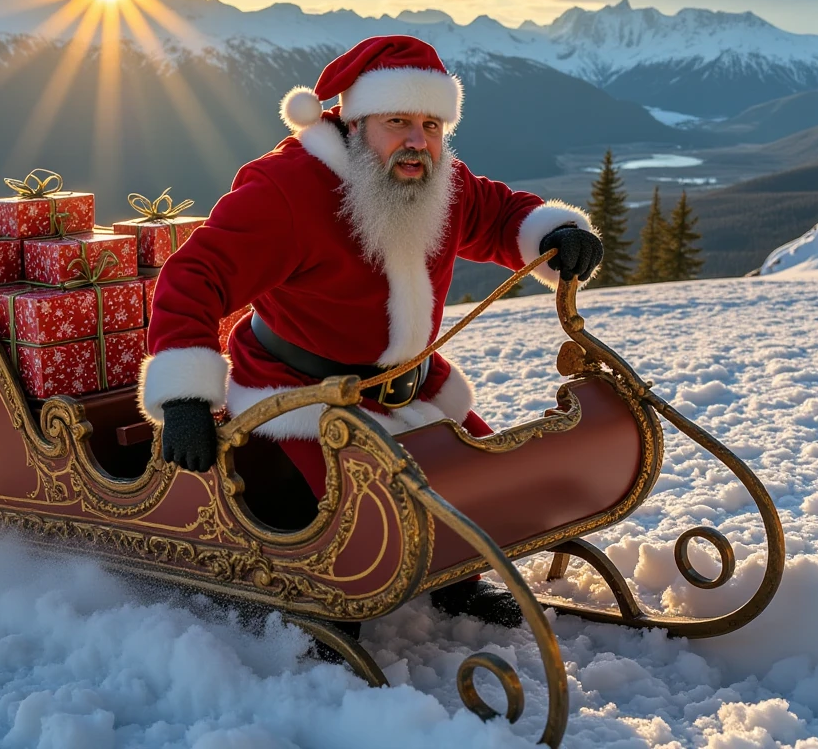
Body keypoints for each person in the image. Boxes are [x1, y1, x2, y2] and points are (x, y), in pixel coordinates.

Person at [137, 35, 603, 627]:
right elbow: (194, 275)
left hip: (413, 385)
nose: (418, 141)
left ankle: (455, 578)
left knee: (484, 487)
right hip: (301, 394)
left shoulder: (439, 179)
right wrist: (184, 396)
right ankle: (319, 599)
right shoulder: (286, 190)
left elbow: (500, 215)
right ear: (356, 124)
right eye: (398, 121)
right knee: (357, 519)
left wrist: (554, 233)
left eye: (431, 124)